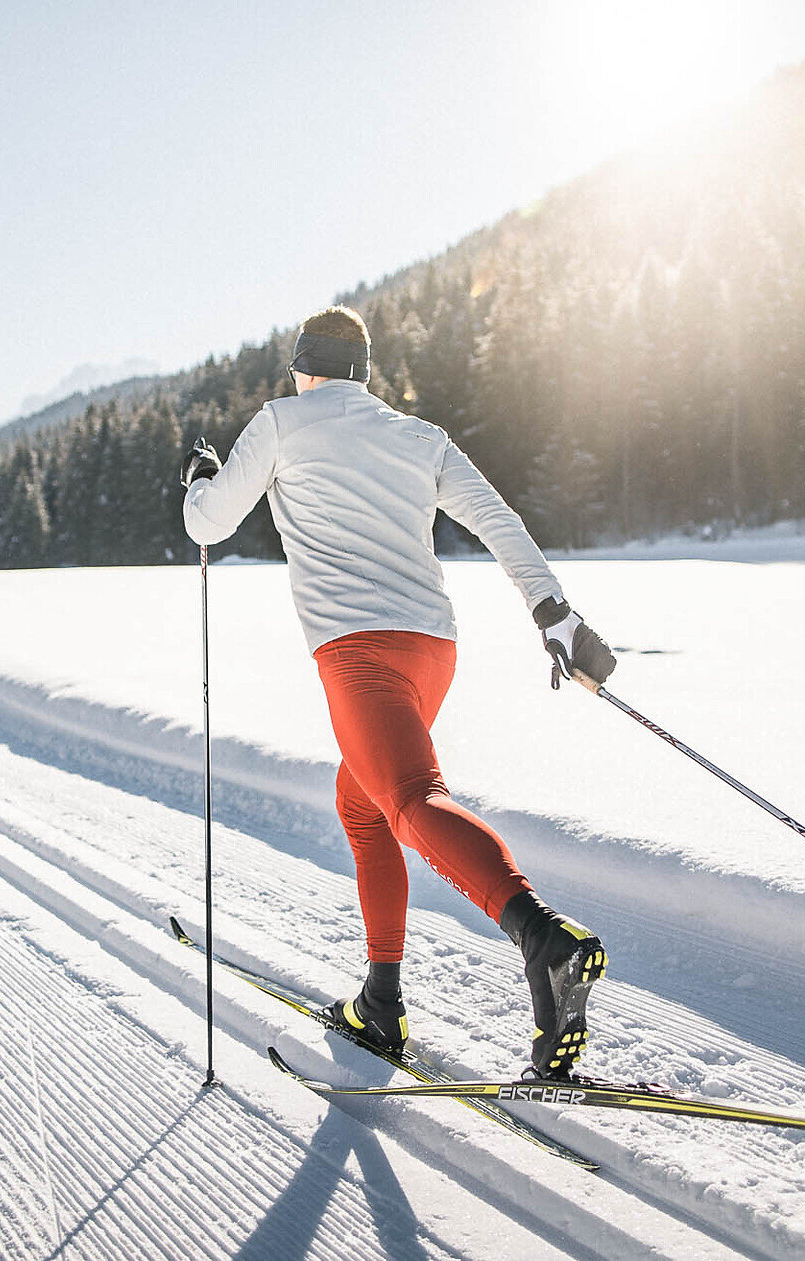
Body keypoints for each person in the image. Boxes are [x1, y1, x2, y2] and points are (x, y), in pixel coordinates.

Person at [180, 306, 618, 1079]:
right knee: (362, 802)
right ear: (363, 371)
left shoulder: (281, 421)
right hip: (432, 651)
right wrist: (552, 610)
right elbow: (497, 519)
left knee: (412, 798)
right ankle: (381, 1001)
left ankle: (544, 938)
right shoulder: (419, 436)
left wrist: (201, 481)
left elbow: (207, 526)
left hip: (359, 655)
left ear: (304, 367)